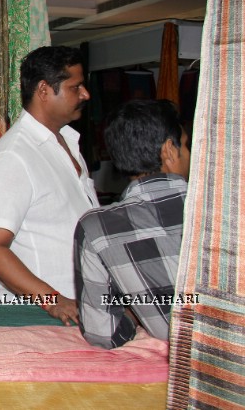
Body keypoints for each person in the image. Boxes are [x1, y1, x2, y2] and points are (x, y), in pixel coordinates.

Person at [0, 45, 99, 325]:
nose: (85, 95)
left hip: (78, 312)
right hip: (38, 316)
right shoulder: (15, 155)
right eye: (76, 87)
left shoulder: (68, 143)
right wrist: (52, 300)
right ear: (44, 90)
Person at [74, 99, 190, 349]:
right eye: (187, 145)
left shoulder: (97, 228)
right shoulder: (223, 207)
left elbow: (102, 333)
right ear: (169, 150)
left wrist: (137, 311)